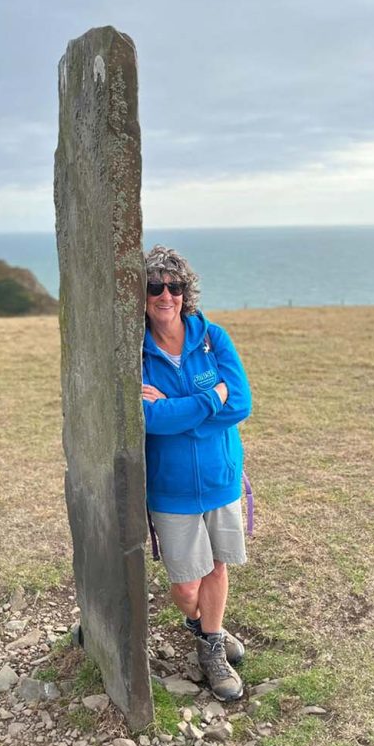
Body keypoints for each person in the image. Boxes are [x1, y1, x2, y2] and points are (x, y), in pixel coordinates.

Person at [141, 245, 252, 701]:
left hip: (221, 478)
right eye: (154, 287)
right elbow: (148, 422)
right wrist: (211, 400)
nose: (165, 295)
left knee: (217, 567)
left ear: (186, 293)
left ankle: (211, 647)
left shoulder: (214, 339)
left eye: (175, 286)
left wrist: (175, 409)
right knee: (187, 584)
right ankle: (201, 622)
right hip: (172, 489)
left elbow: (241, 404)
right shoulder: (135, 352)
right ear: (141, 296)